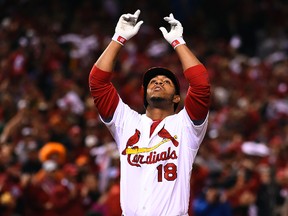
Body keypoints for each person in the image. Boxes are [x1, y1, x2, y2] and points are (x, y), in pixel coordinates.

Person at [89, 9, 210, 216]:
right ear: (144, 95)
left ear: (176, 98)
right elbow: (97, 82)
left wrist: (178, 43)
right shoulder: (125, 122)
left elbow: (200, 84)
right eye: (153, 81)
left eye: (166, 82)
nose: (158, 82)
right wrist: (118, 38)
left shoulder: (187, 126)